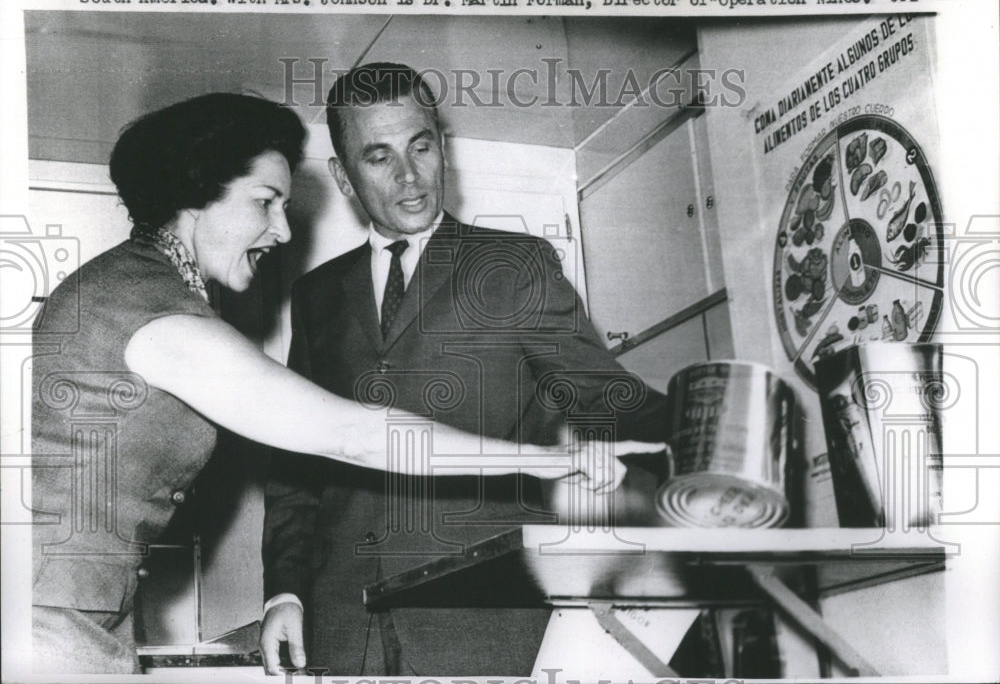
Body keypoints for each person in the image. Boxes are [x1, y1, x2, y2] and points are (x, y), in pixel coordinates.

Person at [30, 93, 650, 675]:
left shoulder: (132, 290)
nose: (283, 230)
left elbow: (605, 392)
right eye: (264, 201)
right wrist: (548, 460)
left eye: (422, 147)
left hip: (75, 607)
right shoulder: (153, 309)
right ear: (198, 195)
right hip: (54, 616)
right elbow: (347, 434)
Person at [260, 64, 670, 676]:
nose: (409, 176)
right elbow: (295, 462)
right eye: (378, 157)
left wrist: (711, 427)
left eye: (420, 146)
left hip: (483, 613)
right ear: (343, 177)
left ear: (441, 146)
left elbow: (605, 396)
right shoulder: (316, 294)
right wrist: (284, 590)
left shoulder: (515, 264)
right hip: (347, 625)